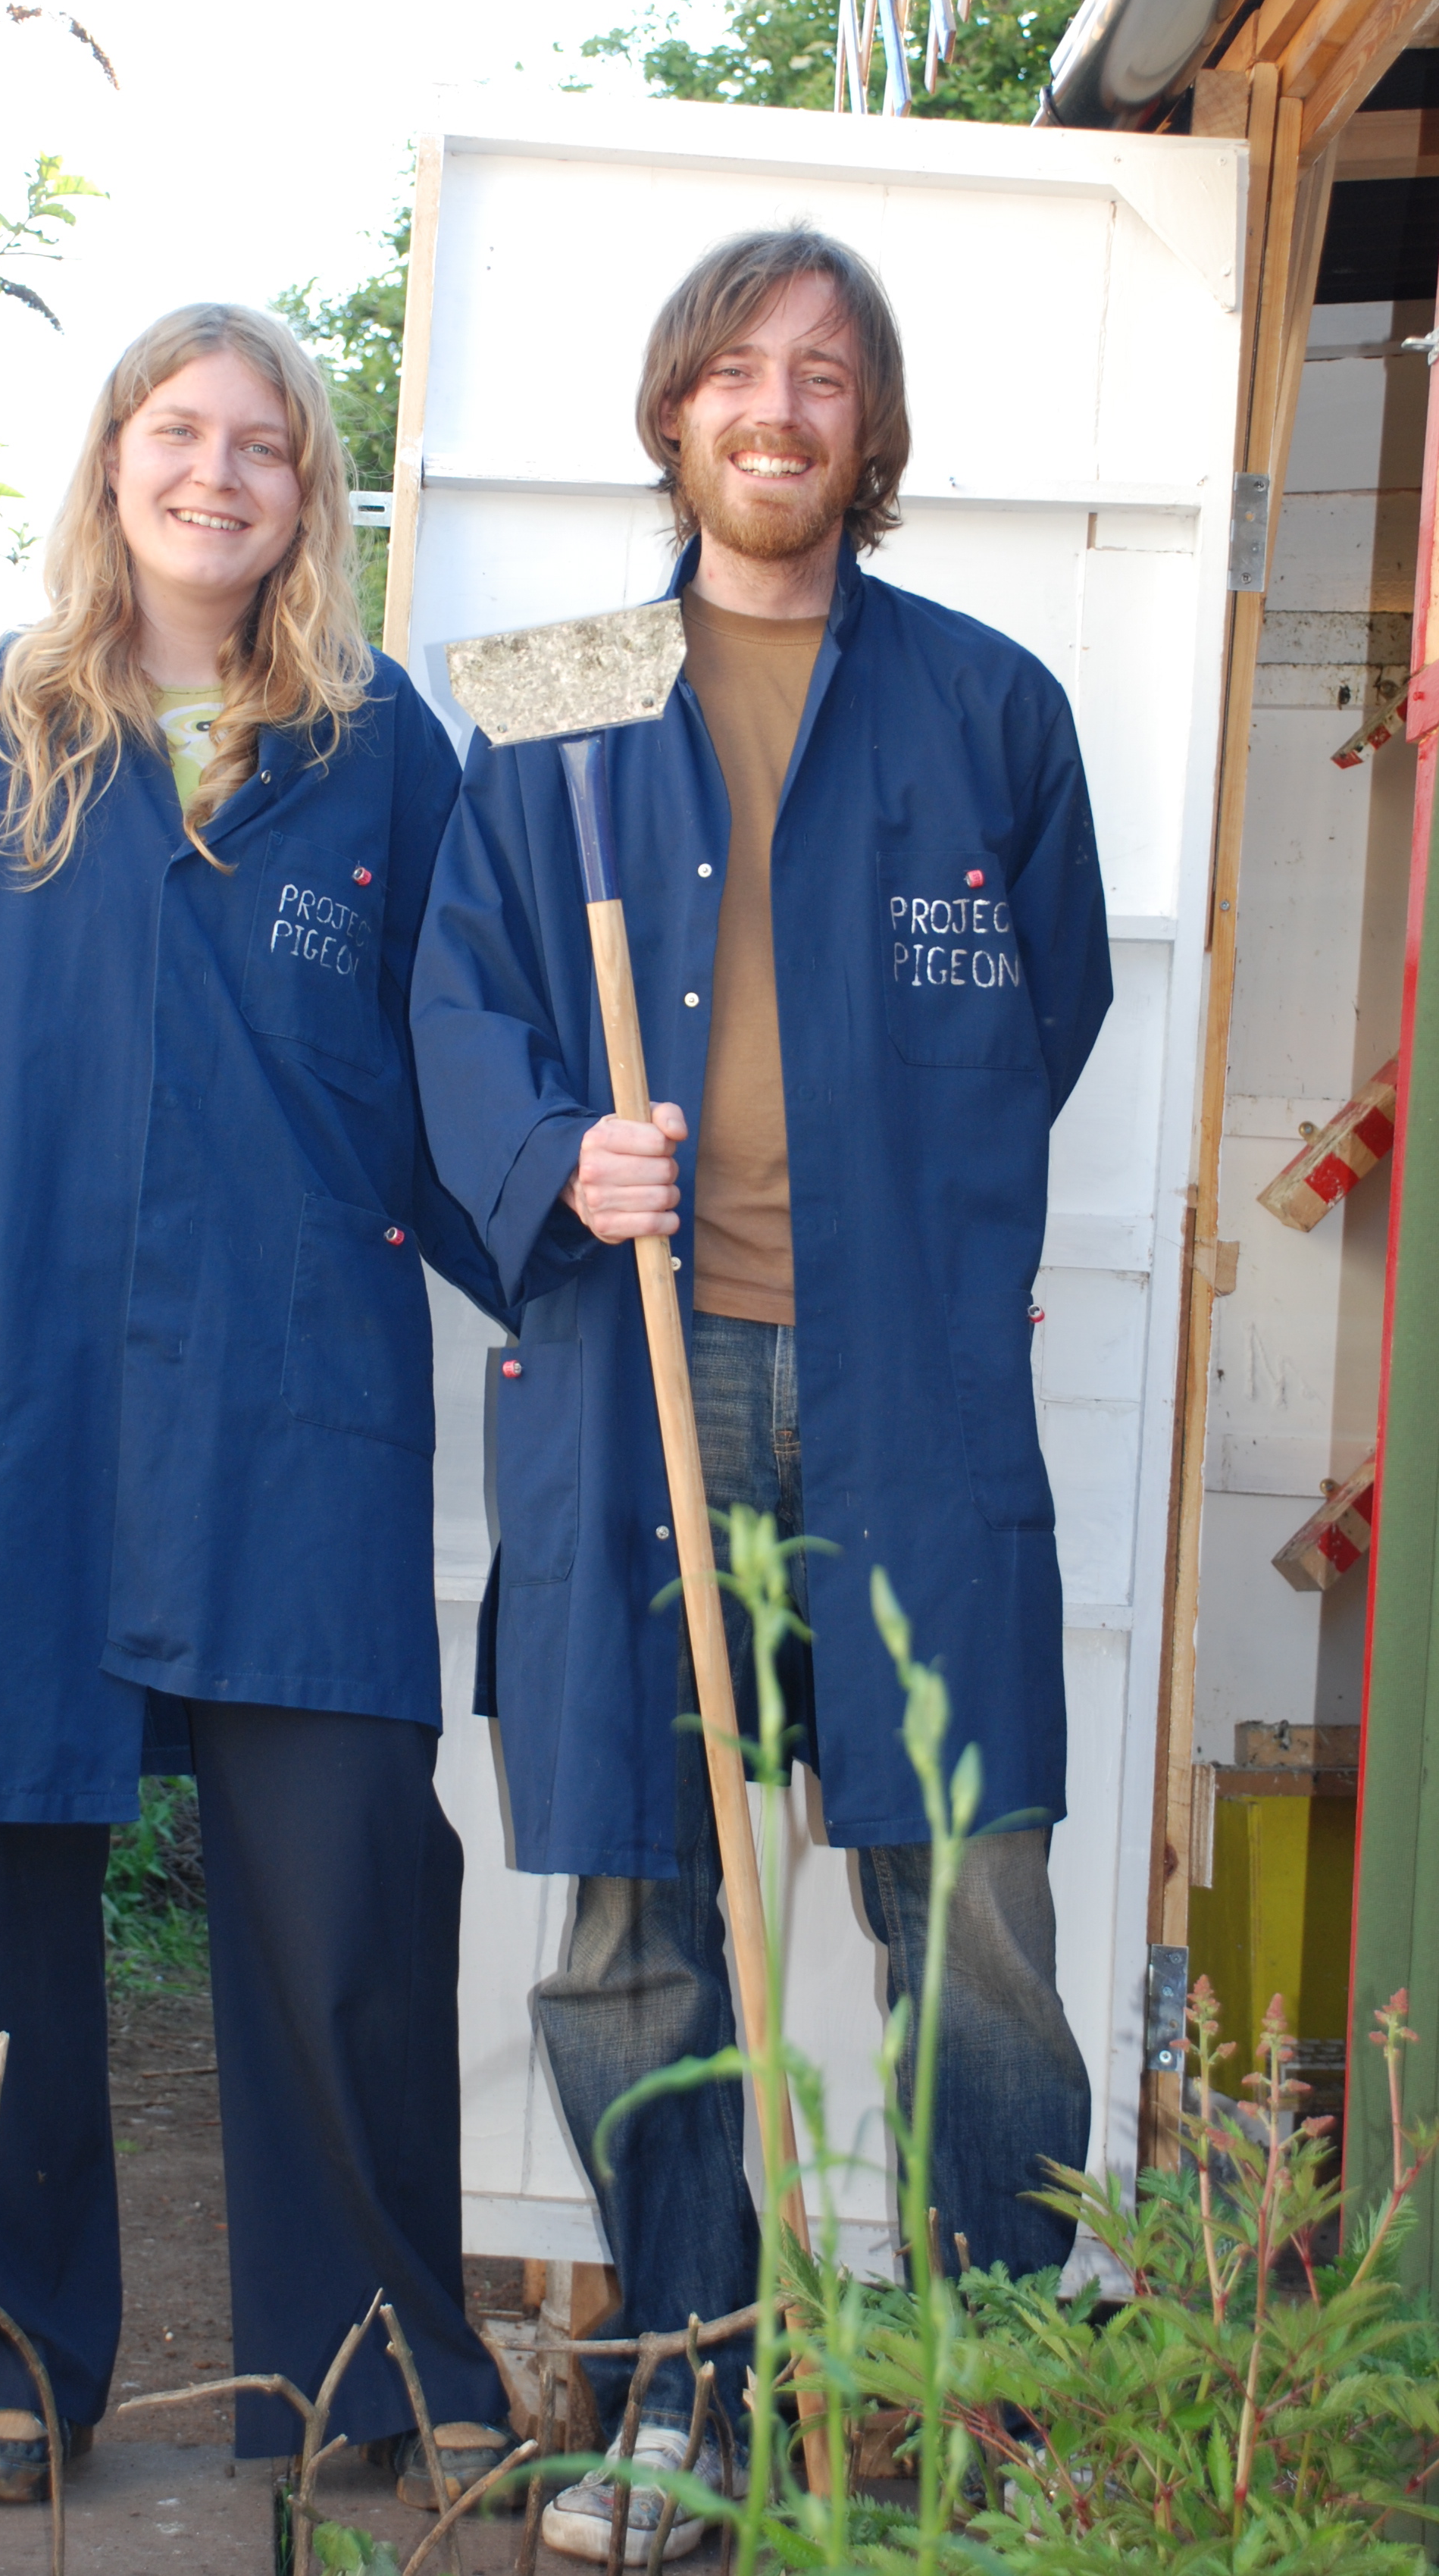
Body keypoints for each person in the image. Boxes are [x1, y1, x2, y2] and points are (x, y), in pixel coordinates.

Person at [0, 303, 514, 2506]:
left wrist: (563, 1250)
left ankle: (376, 2373)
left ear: (309, 496)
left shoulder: (383, 756)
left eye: (261, 446)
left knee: (350, 1884)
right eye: (177, 434)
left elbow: (458, 1076)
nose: (215, 474)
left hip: (288, 1401)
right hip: (11, 1396)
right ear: (112, 466)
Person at [411, 228, 1112, 2559]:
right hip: (642, 1387)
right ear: (675, 409)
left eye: (826, 377)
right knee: (633, 1908)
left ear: (871, 434)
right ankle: (681, 2399)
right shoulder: (552, 692)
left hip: (907, 1398)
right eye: (738, 367)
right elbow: (450, 1013)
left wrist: (922, 1234)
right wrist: (549, 1149)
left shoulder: (989, 707)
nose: (780, 409)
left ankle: (991, 2399)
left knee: (972, 1896)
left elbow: (1047, 1019)